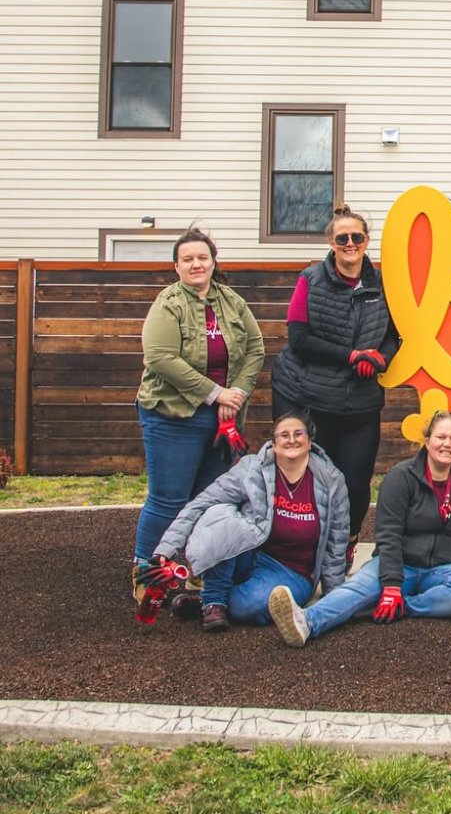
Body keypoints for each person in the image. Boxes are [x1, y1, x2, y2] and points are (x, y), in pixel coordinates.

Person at [268, 409, 451, 646]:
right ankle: (306, 621)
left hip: (444, 569)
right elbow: (388, 535)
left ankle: (403, 607)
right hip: (399, 561)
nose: (447, 444)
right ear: (427, 439)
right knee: (358, 588)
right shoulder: (401, 477)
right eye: (441, 437)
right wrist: (391, 585)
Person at [133, 228, 265, 584]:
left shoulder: (232, 301)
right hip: (173, 415)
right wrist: (214, 392)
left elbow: (255, 348)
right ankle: (145, 574)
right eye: (187, 259)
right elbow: (160, 357)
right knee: (169, 498)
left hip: (224, 420)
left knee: (213, 501)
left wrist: (234, 393)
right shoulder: (168, 303)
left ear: (213, 261)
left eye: (202, 257)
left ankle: (200, 569)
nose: (196, 264)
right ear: (176, 266)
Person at [136, 412, 350, 632]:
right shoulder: (251, 469)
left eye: (299, 433)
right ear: (273, 444)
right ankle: (214, 603)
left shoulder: (331, 480)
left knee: (247, 607)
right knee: (219, 514)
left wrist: (333, 599)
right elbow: (200, 503)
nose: (292, 439)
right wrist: (165, 550)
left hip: (292, 571)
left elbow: (337, 539)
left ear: (310, 441)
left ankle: (205, 602)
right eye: (284, 435)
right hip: (249, 553)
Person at [270, 203, 399, 559]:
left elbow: (396, 335)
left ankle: (346, 543)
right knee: (312, 480)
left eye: (356, 237)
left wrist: (380, 357)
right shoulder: (310, 279)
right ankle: (303, 549)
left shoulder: (383, 285)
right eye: (342, 237)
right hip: (308, 394)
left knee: (357, 483)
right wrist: (350, 356)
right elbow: (299, 337)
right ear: (331, 241)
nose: (350, 243)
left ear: (366, 241)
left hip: (360, 400)